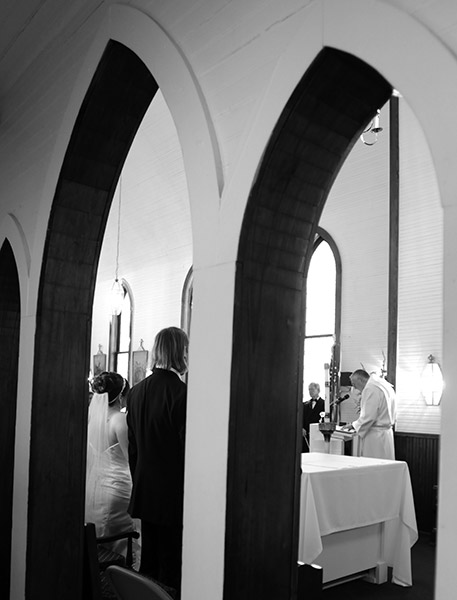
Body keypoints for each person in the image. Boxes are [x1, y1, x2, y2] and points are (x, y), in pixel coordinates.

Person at [126, 326, 188, 596]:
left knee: (149, 561)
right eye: (186, 349)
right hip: (173, 493)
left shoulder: (136, 392)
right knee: (172, 565)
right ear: (178, 352)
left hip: (145, 487)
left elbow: (133, 448)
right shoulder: (182, 394)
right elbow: (188, 450)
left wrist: (139, 477)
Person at [85, 371, 140, 564]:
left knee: (101, 539)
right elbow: (130, 459)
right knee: (119, 542)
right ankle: (119, 575)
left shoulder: (92, 420)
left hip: (95, 489)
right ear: (120, 395)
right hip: (118, 488)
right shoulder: (120, 420)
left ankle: (102, 577)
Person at [344, 369, 397, 459]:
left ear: (360, 380)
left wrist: (354, 425)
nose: (355, 388)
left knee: (374, 466)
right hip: (386, 434)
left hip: (375, 436)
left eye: (354, 384)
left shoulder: (371, 388)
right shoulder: (383, 385)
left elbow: (369, 416)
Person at [302, 382, 325, 452]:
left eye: (312, 389)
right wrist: (302, 428)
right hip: (305, 433)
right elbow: (302, 417)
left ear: (318, 390)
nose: (310, 392)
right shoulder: (305, 404)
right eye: (309, 390)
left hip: (317, 434)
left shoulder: (324, 403)